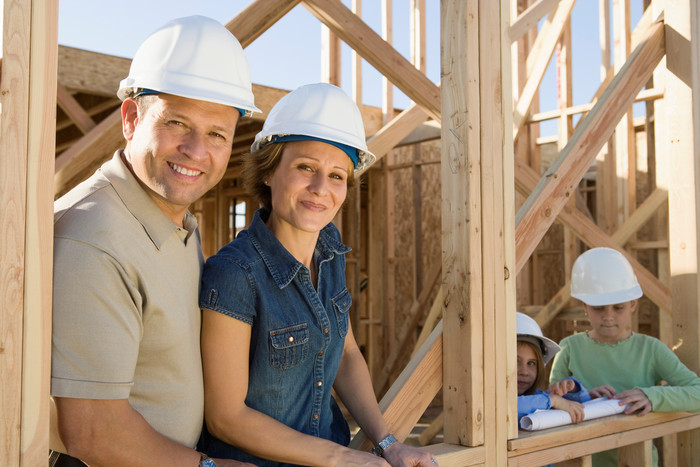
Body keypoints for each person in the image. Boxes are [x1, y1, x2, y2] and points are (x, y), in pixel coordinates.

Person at [51, 16, 259, 467]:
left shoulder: (175, 221)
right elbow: (93, 434)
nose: (196, 151)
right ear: (131, 119)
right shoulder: (95, 237)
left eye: (217, 134)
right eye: (178, 123)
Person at [198, 83, 437, 467]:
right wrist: (342, 459)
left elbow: (344, 353)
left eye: (337, 175)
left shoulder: (329, 250)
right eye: (305, 167)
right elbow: (225, 418)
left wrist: (387, 443)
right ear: (270, 171)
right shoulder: (234, 273)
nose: (320, 188)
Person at [550, 247, 700, 466]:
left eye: (618, 308)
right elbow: (552, 405)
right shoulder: (569, 348)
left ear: (632, 305)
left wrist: (651, 396)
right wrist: (583, 396)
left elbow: (697, 392)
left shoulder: (651, 349)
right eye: (598, 308)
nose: (608, 316)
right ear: (584, 307)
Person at [516, 312, 589, 424]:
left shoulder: (537, 397)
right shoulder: (487, 402)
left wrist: (572, 390)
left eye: (531, 363)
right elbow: (511, 406)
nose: (524, 372)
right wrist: (554, 400)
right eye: (516, 361)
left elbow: (581, 405)